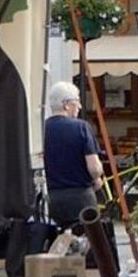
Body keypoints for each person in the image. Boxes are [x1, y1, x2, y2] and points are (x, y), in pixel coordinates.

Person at [42, 81, 104, 228]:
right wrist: (97, 178)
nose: (80, 106)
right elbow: (94, 169)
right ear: (66, 105)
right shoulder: (81, 127)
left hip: (50, 197)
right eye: (77, 101)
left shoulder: (41, 129)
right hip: (80, 198)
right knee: (87, 238)